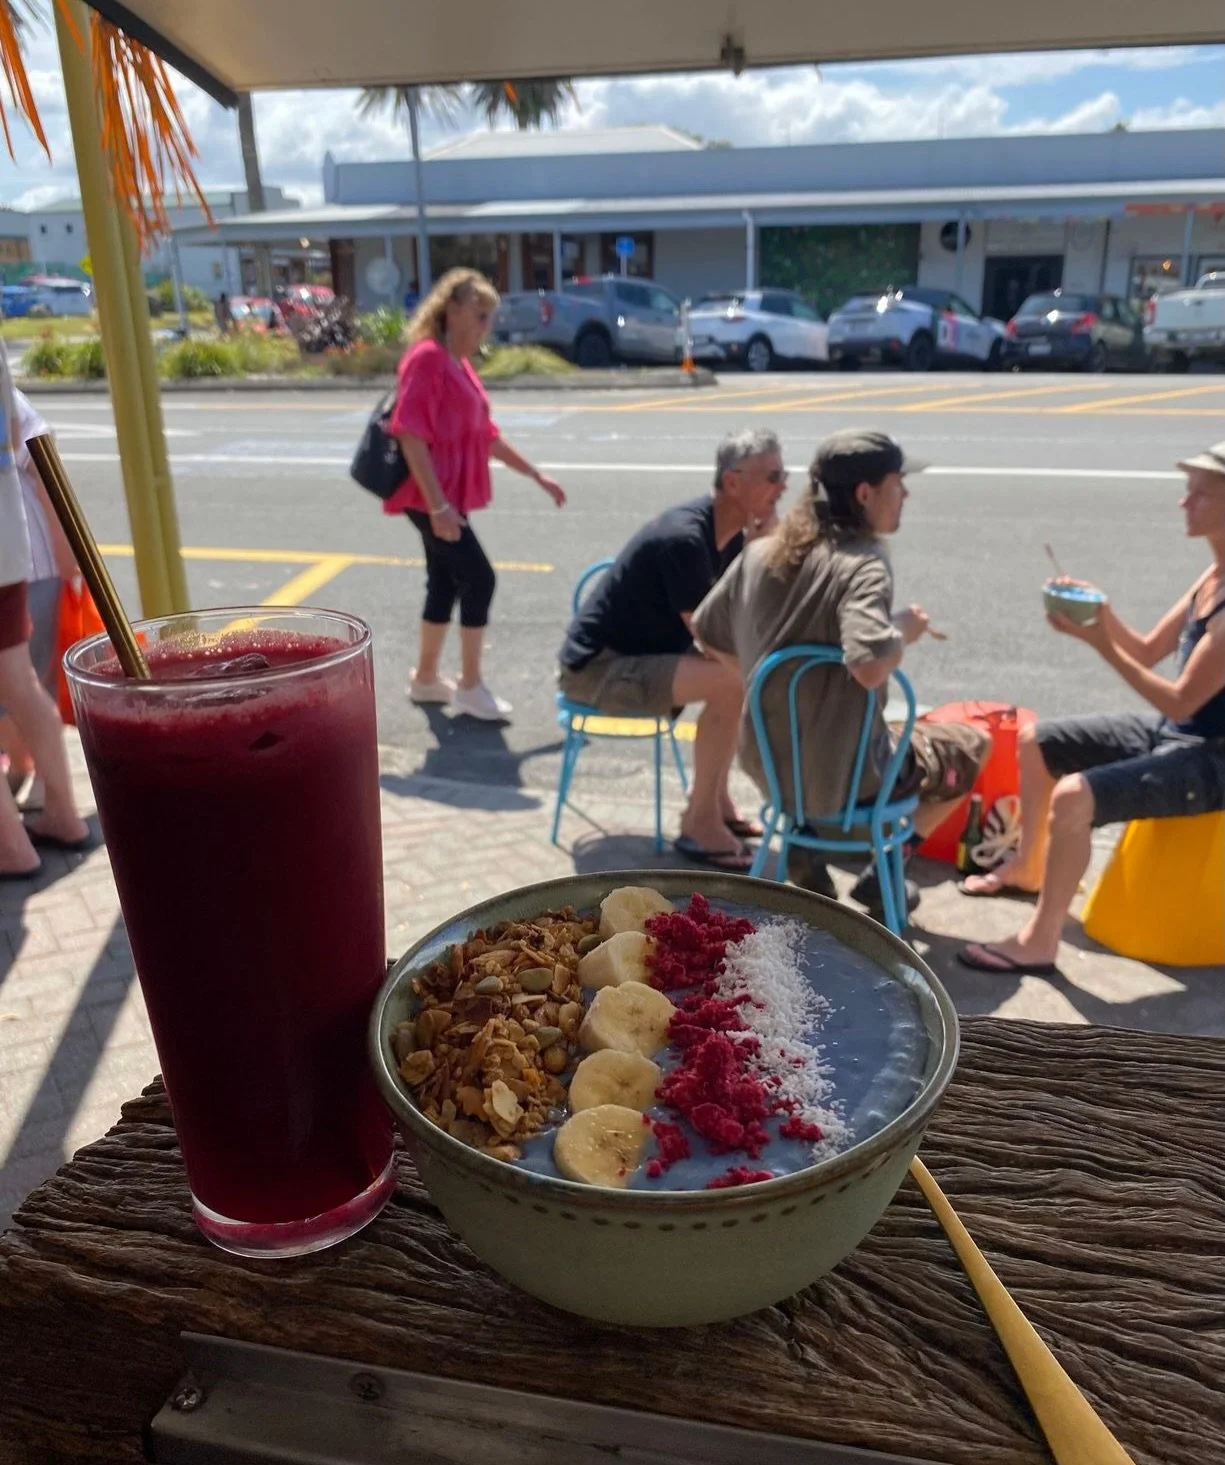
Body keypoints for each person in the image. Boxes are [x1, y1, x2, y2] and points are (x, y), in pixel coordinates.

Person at [691, 429, 989, 912]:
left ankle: (805, 847)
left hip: (771, 768)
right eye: (899, 483)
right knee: (973, 743)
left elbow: (706, 630)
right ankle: (889, 865)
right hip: (852, 781)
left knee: (848, 736)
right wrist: (904, 632)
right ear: (865, 493)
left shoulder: (761, 552)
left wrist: (757, 677)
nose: (907, 494)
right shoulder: (862, 565)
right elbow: (870, 665)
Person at [958, 440, 1225, 974]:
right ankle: (1031, 867)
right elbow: (1149, 648)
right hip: (1178, 732)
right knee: (1039, 741)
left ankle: (1041, 940)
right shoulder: (1212, 576)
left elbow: (1179, 697)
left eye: (1199, 494)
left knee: (1075, 797)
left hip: (1213, 756)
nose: (1183, 503)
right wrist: (1096, 619)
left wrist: (1101, 645)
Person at [558, 428, 787, 870]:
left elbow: (745, 622)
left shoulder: (731, 535)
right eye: (773, 476)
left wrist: (758, 553)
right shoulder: (686, 539)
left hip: (639, 658)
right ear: (734, 481)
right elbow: (716, 639)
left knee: (734, 678)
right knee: (731, 682)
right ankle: (699, 822)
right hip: (598, 670)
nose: (782, 487)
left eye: (785, 475)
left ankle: (714, 802)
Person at [386, 267, 566, 721]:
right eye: (481, 315)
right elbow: (409, 434)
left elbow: (485, 436)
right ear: (452, 310)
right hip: (428, 497)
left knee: (445, 581)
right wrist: (439, 507)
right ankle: (469, 687)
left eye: (490, 317)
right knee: (480, 579)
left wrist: (535, 475)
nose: (488, 326)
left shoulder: (456, 363)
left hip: (443, 498)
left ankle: (426, 680)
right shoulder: (427, 358)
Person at [0, 346, 90, 877]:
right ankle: (59, 808)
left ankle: (12, 843)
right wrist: (68, 561)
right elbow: (44, 469)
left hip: (26, 560)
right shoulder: (11, 395)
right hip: (20, 556)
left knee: (20, 682)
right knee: (24, 682)